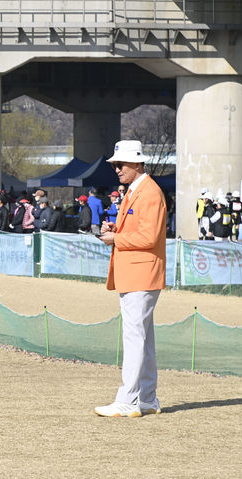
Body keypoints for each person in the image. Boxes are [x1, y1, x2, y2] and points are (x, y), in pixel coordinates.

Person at [96, 140, 166, 418]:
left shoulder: (148, 192)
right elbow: (143, 231)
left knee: (135, 337)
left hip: (141, 273)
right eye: (115, 164)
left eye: (121, 164)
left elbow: (150, 237)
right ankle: (147, 398)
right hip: (137, 272)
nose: (117, 169)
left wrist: (116, 237)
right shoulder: (139, 190)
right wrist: (117, 228)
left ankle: (128, 398)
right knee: (143, 338)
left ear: (137, 163)